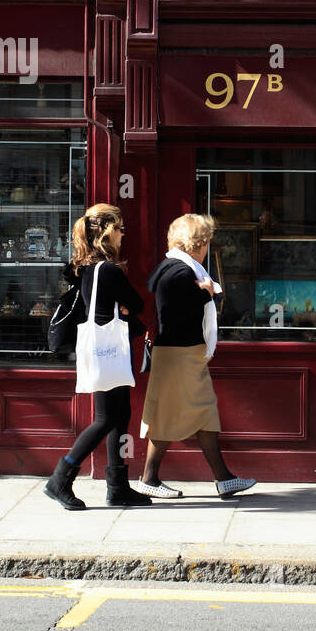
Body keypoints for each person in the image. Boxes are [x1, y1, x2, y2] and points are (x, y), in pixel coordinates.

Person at [134, 213, 256, 499]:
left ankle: (220, 479)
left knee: (197, 413)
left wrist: (203, 291)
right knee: (192, 412)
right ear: (196, 244)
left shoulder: (170, 266)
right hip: (181, 353)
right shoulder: (181, 272)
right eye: (205, 243)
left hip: (177, 352)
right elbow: (179, 310)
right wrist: (207, 294)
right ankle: (155, 478)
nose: (206, 250)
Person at [43, 203, 152, 509]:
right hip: (109, 350)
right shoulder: (109, 270)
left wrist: (126, 306)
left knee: (120, 415)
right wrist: (127, 306)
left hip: (102, 350)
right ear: (105, 231)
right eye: (118, 228)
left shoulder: (89, 268)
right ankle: (60, 479)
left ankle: (117, 487)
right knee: (106, 418)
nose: (121, 234)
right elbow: (136, 304)